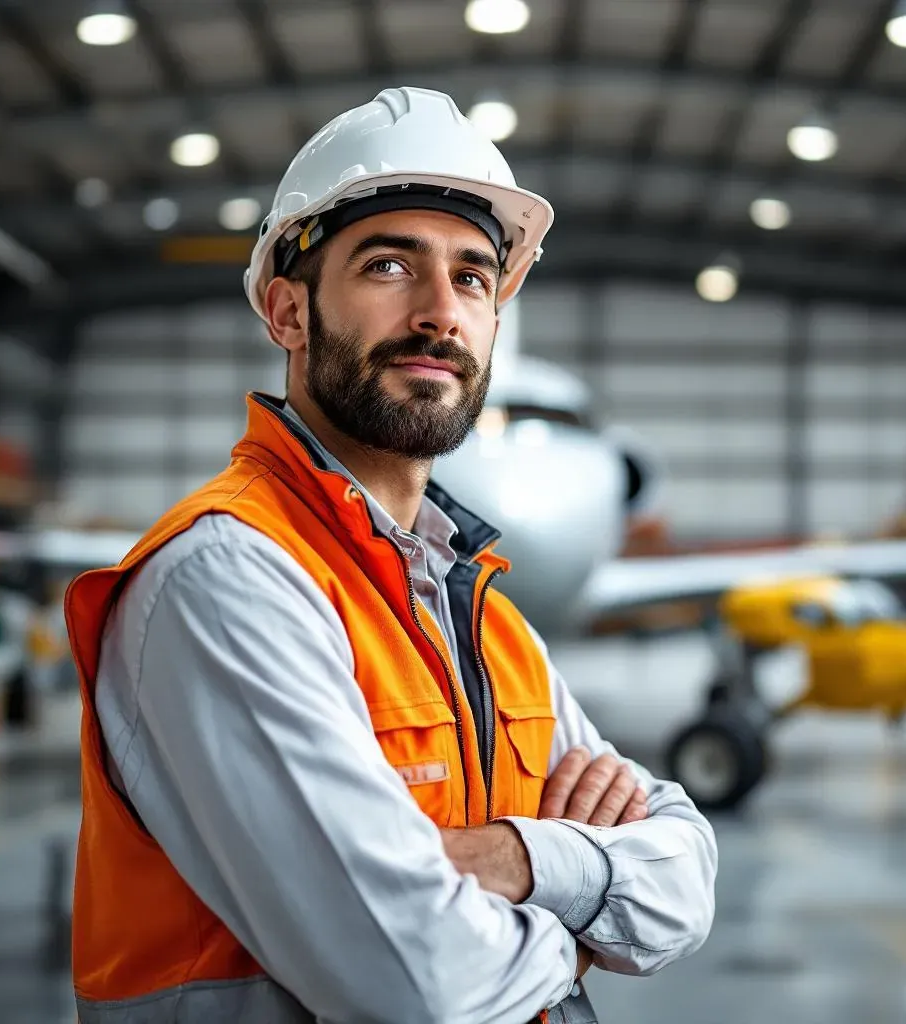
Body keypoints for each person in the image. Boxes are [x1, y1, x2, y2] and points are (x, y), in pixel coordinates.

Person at [65, 86, 717, 1024]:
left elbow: (687, 874)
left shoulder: (480, 612)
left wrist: (519, 858)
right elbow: (417, 982)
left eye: (473, 277)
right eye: (387, 266)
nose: (440, 312)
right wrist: (581, 928)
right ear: (288, 313)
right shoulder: (226, 578)